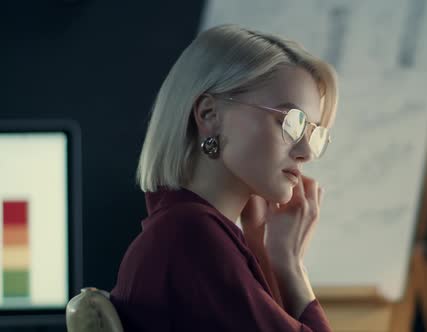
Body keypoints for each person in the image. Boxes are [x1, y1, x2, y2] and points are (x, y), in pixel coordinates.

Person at [110, 24, 339, 331]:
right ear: (209, 115)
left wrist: (265, 250)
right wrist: (291, 267)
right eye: (291, 122)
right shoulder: (191, 237)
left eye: (313, 133)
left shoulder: (186, 230)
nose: (306, 152)